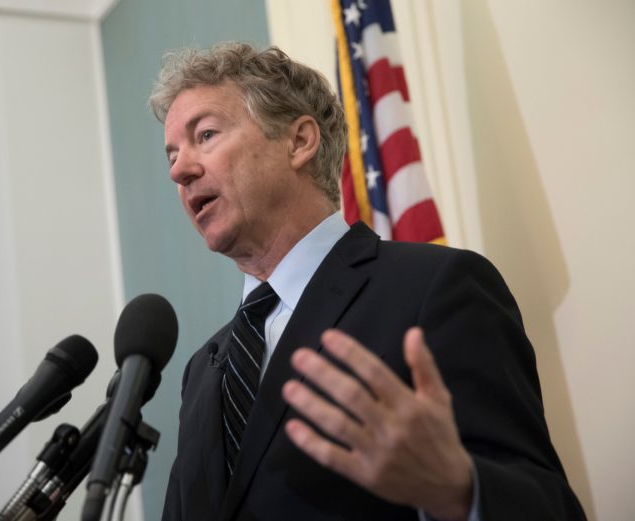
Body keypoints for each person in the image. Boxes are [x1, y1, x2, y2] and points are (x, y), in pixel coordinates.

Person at [149, 42, 585, 521]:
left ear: (299, 142)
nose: (179, 170)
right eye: (171, 155)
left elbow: (549, 507)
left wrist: (458, 489)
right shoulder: (203, 370)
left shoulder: (434, 288)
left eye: (205, 135)